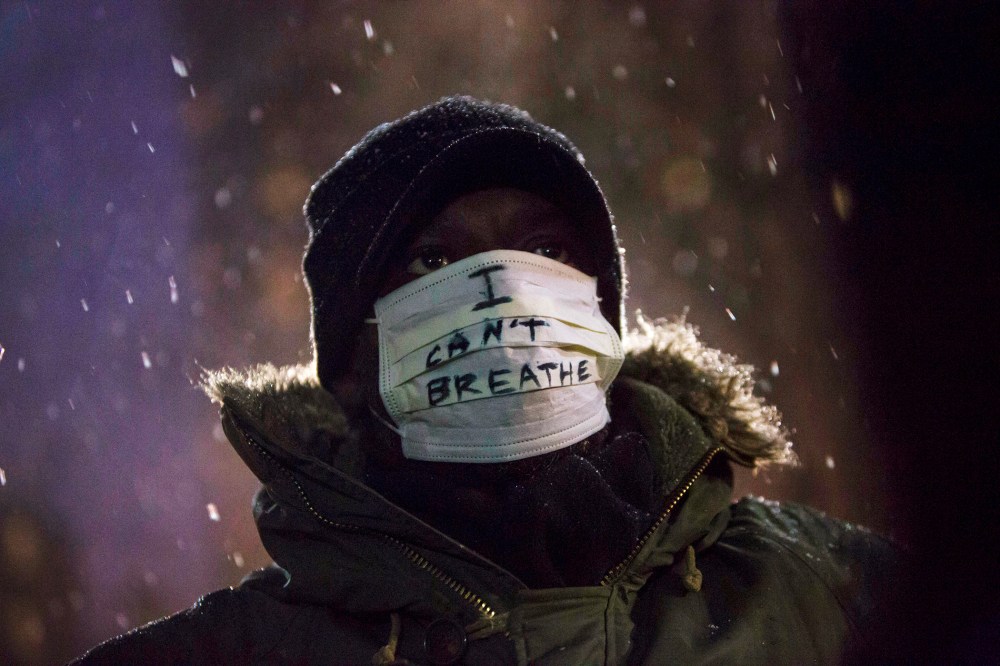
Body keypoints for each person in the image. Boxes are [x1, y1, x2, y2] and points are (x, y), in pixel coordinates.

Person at [75, 96, 894, 665]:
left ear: (602, 313)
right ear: (354, 361)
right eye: (434, 260)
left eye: (549, 251)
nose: (507, 290)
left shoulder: (838, 597)